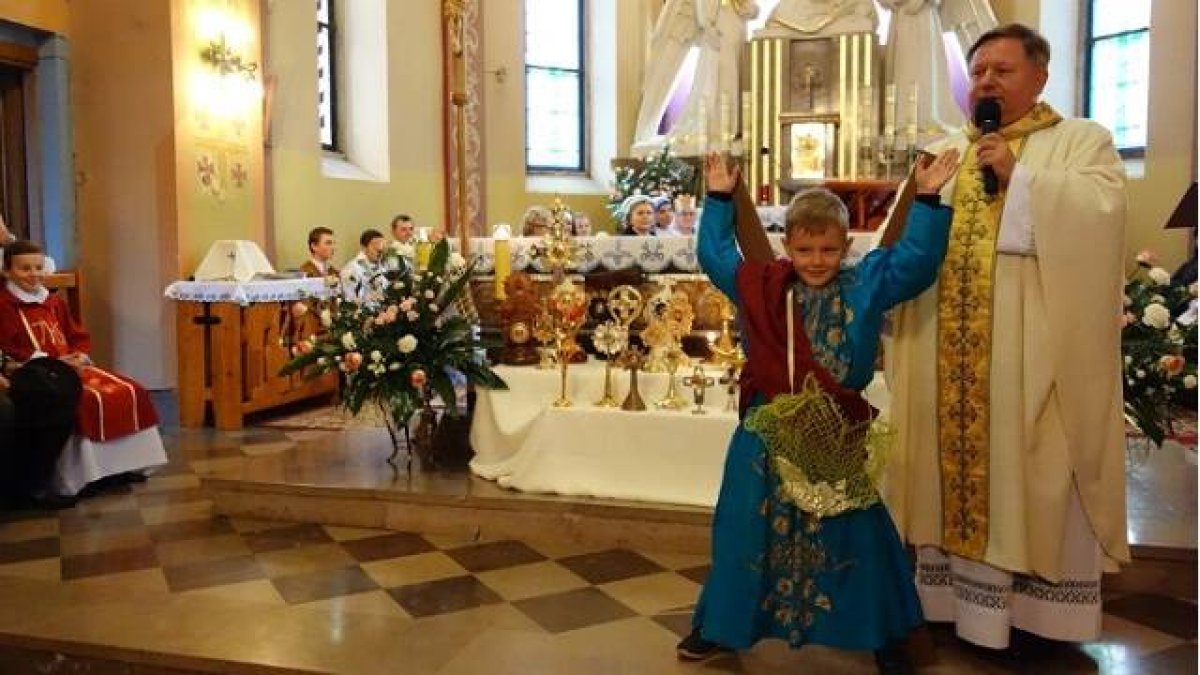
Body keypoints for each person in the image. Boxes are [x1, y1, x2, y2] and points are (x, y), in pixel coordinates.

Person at [883, 23, 1130, 652]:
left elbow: (1102, 221)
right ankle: (947, 605)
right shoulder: (943, 151)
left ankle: (1038, 619)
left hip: (1029, 358)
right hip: (944, 353)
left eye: (1003, 69)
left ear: (1040, 77)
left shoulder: (1079, 141)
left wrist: (1023, 181)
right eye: (979, 70)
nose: (987, 80)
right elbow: (898, 249)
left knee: (1029, 466)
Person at [680, 149, 959, 673]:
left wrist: (926, 199)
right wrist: (718, 198)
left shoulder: (866, 281)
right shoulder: (765, 286)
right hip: (767, 430)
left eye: (828, 249)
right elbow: (718, 257)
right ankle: (721, 625)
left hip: (834, 431)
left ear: (845, 245)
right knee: (744, 526)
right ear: (788, 246)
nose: (815, 260)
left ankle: (884, 632)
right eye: (805, 249)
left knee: (857, 531)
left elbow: (917, 261)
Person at [0, 240, 167, 497]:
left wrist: (79, 354)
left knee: (129, 390)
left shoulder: (54, 301)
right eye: (24, 269)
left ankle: (122, 466)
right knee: (82, 400)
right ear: (7, 271)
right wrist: (49, 360)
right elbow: (9, 346)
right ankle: (81, 477)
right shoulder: (4, 305)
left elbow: (75, 333)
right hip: (36, 371)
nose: (33, 274)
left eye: (38, 267)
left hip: (69, 365)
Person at [631, 0, 759, 158]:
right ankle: (715, 128)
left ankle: (731, 126)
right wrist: (708, 25)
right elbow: (703, 8)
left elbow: (753, 11)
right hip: (719, 33)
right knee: (717, 78)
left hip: (736, 31)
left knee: (733, 75)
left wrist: (742, 5)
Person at [340, 229, 388, 302]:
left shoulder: (383, 266)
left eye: (382, 244)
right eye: (375, 244)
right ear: (363, 247)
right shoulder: (352, 268)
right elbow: (350, 297)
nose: (379, 248)